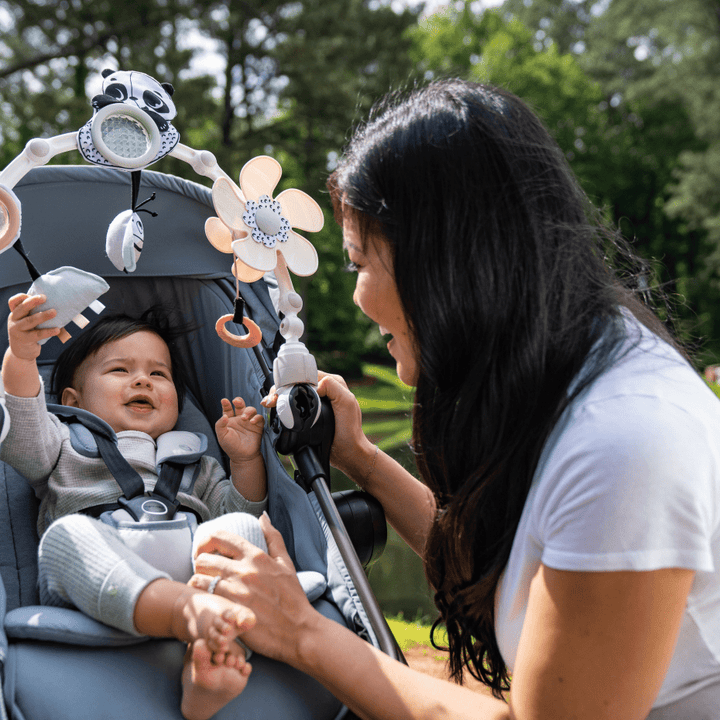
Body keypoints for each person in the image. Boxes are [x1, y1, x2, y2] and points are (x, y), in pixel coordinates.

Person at [187, 78, 720, 720]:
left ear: (442, 264)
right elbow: (496, 575)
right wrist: (358, 456)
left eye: (359, 263)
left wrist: (301, 630)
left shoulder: (625, 444)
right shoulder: (579, 364)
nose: (357, 297)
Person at [0, 297, 268, 720]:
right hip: (90, 582)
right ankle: (184, 612)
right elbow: (22, 430)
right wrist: (22, 355)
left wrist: (246, 461)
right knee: (68, 537)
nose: (142, 381)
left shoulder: (197, 463)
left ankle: (214, 659)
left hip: (198, 579)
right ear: (74, 398)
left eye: (158, 374)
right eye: (120, 370)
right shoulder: (62, 445)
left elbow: (245, 513)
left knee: (241, 531)